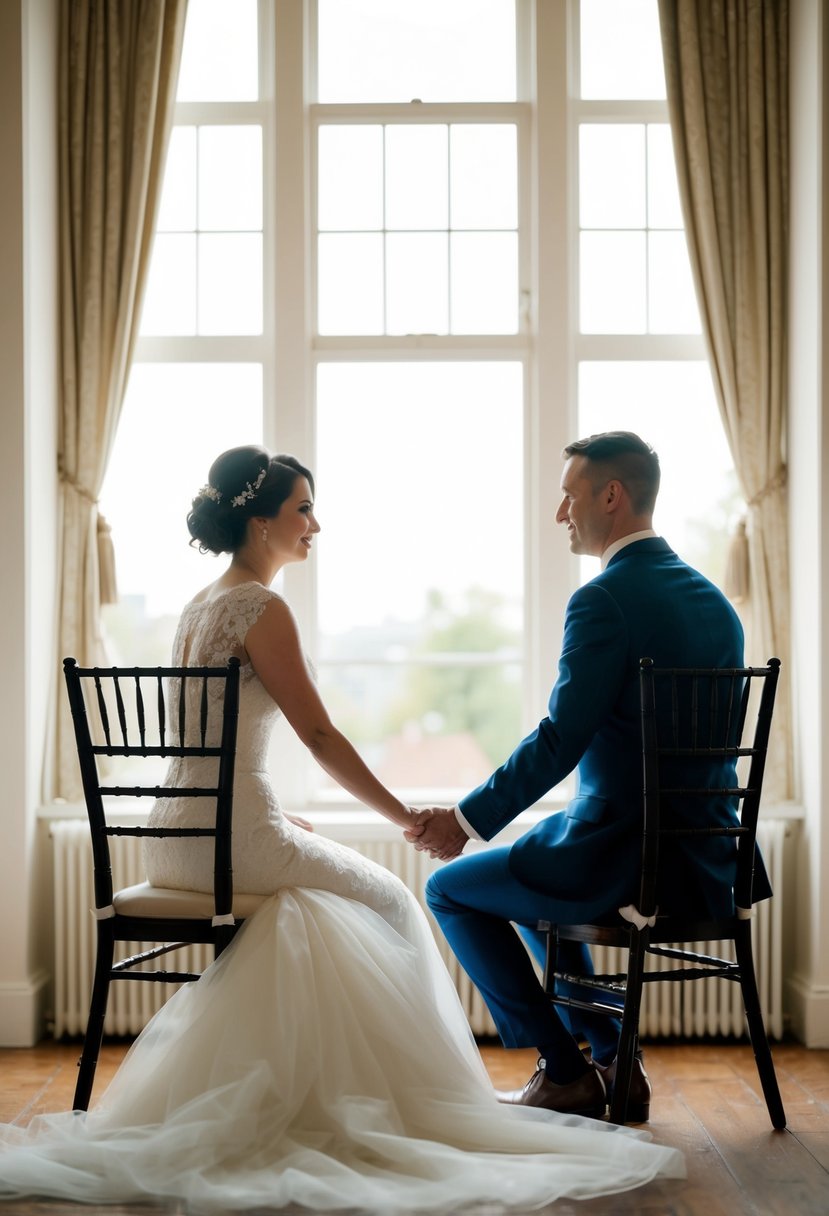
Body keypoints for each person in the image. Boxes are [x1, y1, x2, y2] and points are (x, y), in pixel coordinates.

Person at [0, 444, 684, 1212]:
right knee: (390, 901)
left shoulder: (199, 604)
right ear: (261, 523)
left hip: (173, 836)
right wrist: (407, 820)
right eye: (302, 509)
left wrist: (268, 813)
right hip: (228, 838)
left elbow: (203, 747)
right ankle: (383, 1107)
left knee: (318, 905)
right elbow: (319, 738)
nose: (314, 524)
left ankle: (321, 1090)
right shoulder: (263, 608)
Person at [407, 430, 769, 1124]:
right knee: (543, 866)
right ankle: (613, 1059)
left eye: (568, 495)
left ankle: (566, 1068)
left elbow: (559, 740)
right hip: (708, 859)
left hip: (625, 856)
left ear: (611, 495)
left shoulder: (604, 600)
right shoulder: (714, 604)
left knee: (450, 889)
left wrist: (464, 820)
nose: (559, 513)